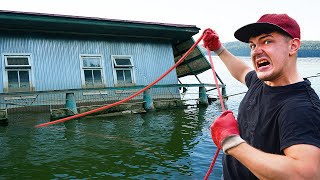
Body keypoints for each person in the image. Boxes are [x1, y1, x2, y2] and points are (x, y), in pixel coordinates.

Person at [203, 13, 320, 179]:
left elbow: (306, 174)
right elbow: (242, 71)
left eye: (267, 41)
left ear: (293, 46)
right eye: (252, 45)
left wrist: (231, 143)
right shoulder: (260, 82)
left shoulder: (301, 107)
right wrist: (219, 49)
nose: (256, 51)